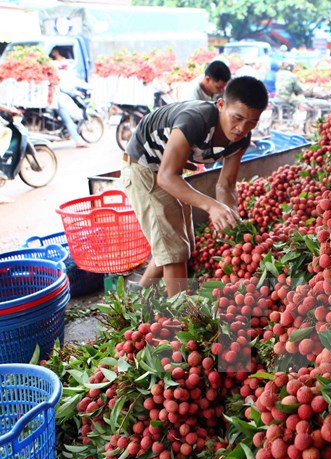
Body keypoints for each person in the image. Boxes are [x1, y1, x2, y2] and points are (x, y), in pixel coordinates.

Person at [121, 76, 269, 297]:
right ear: (221, 105)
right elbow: (166, 177)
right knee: (174, 251)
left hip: (170, 170)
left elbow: (226, 185)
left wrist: (231, 216)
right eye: (237, 118)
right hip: (144, 166)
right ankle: (179, 319)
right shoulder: (195, 120)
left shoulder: (241, 140)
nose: (242, 128)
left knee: (181, 242)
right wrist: (211, 207)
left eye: (251, 123)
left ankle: (137, 292)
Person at [50, 47, 88, 147]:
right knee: (67, 120)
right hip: (57, 99)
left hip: (59, 96)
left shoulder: (60, 66)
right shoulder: (59, 68)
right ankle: (77, 140)